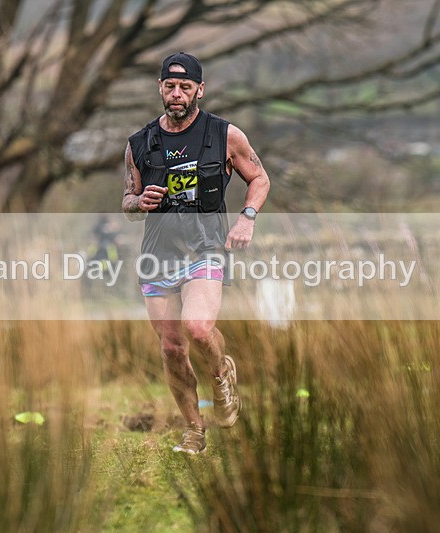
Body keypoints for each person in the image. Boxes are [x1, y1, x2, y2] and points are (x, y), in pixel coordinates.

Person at [122, 52, 271, 454]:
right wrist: (141, 203)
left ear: (199, 90)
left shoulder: (225, 135)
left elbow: (259, 177)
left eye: (185, 86)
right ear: (160, 88)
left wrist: (247, 218)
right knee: (171, 346)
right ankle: (194, 429)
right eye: (169, 86)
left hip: (205, 249)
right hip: (158, 255)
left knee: (199, 327)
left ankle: (221, 375)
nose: (176, 93)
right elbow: (128, 203)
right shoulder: (139, 144)